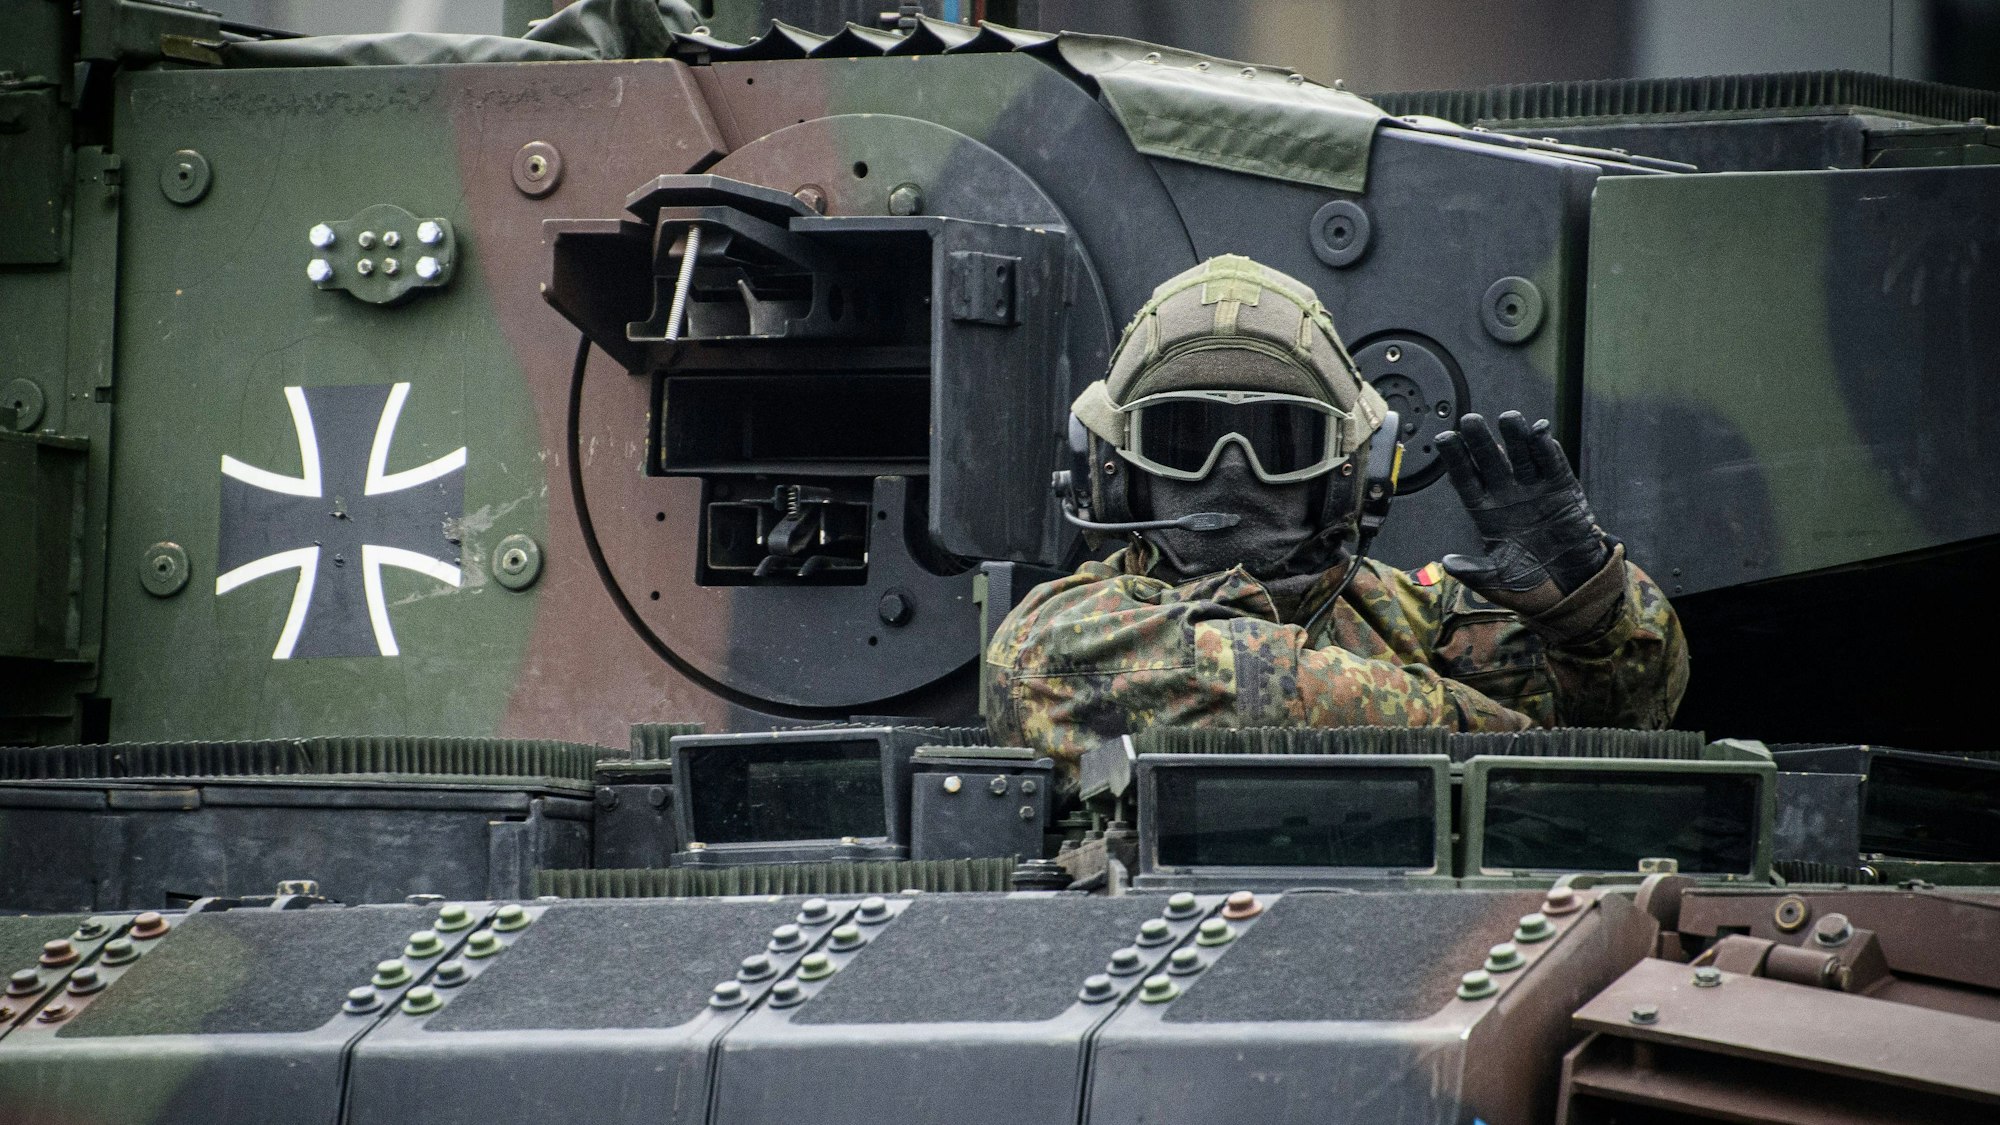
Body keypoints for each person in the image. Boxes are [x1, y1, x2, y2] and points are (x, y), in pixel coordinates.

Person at [984, 255, 1688, 772]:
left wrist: (1591, 611)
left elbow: (1633, 727)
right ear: (1114, 468)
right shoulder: (1063, 632)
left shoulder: (1417, 618)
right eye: (1185, 440)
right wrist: (1496, 737)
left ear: (1352, 469)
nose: (1232, 471)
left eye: (1278, 440)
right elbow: (1241, 692)